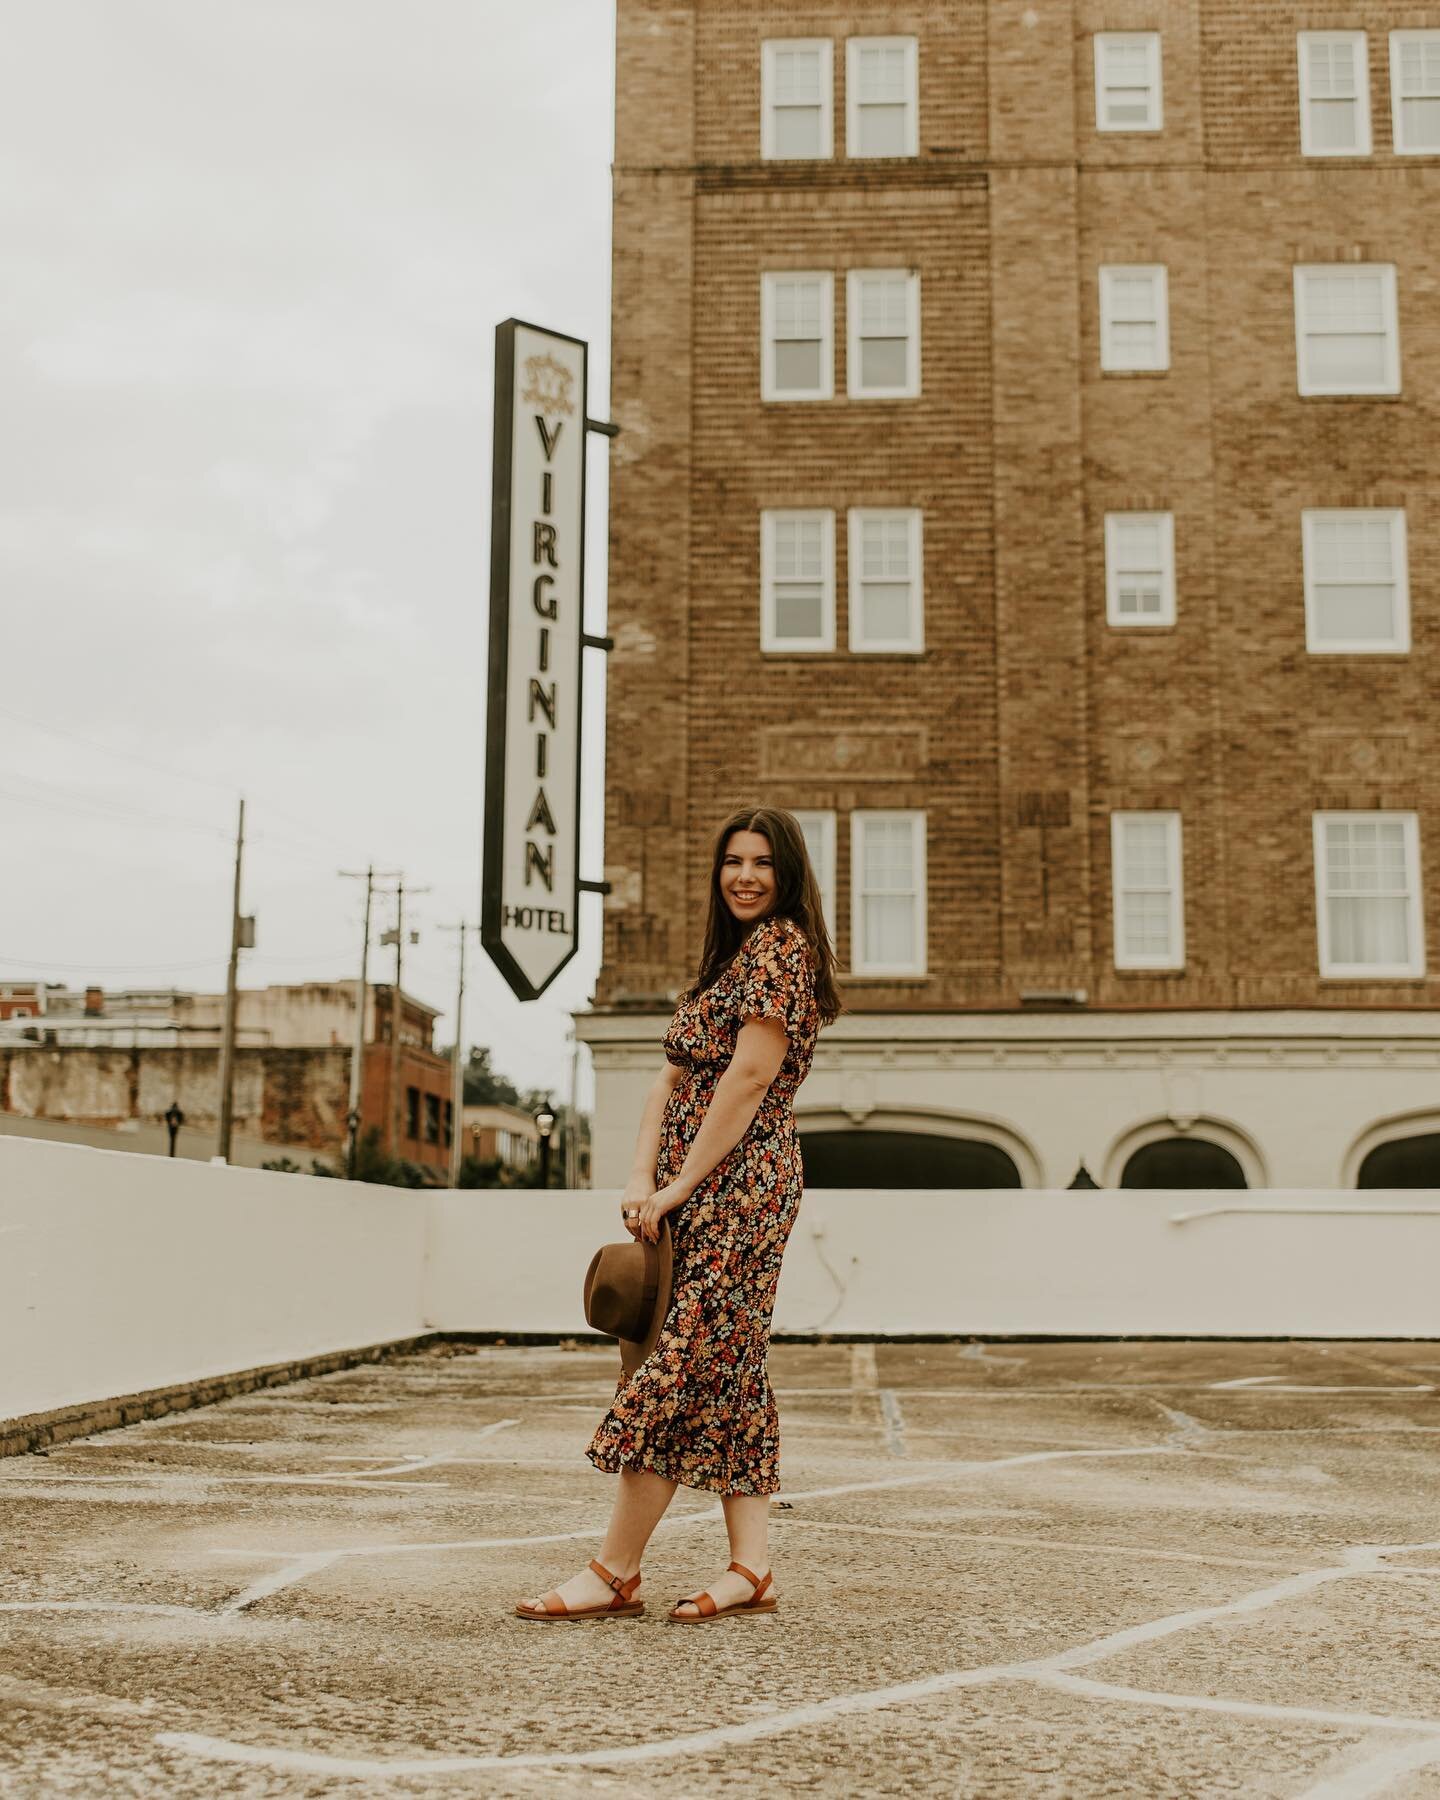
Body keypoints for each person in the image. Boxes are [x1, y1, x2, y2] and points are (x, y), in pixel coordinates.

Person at [515, 805, 841, 1623]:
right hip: (690, 1190)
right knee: (728, 1367)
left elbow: (749, 1078)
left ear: (789, 873)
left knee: (677, 1369)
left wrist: (676, 1188)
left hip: (742, 1189)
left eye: (763, 862)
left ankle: (615, 1569)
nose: (745, 875)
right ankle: (751, 1567)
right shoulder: (727, 963)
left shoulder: (782, 950)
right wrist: (639, 1179)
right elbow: (666, 1082)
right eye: (733, 860)